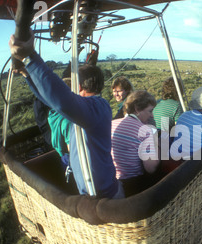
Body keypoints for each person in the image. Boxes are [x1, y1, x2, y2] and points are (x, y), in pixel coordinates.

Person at [9, 32, 124, 199]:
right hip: (97, 194)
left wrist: (30, 58)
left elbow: (61, 100)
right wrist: (27, 74)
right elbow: (50, 101)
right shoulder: (91, 109)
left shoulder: (95, 108)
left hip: (105, 199)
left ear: (78, 85)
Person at [111, 90, 160, 196]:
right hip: (132, 185)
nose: (152, 116)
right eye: (150, 111)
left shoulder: (111, 124)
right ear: (137, 109)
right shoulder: (144, 131)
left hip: (110, 182)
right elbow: (151, 168)